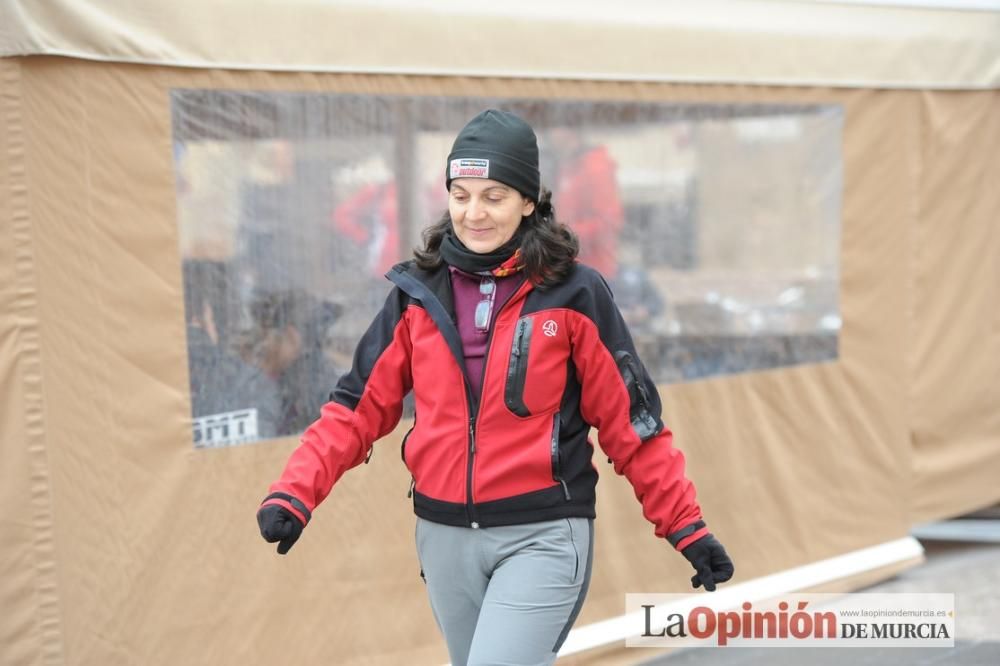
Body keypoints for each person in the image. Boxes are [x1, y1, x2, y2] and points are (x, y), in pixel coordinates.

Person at [256, 110, 734, 665]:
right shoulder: (416, 294)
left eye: (493, 196)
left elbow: (632, 422)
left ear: (529, 201)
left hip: (543, 535)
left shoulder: (574, 295)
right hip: (443, 538)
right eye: (460, 195)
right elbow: (355, 409)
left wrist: (685, 526)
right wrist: (295, 490)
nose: (473, 213)